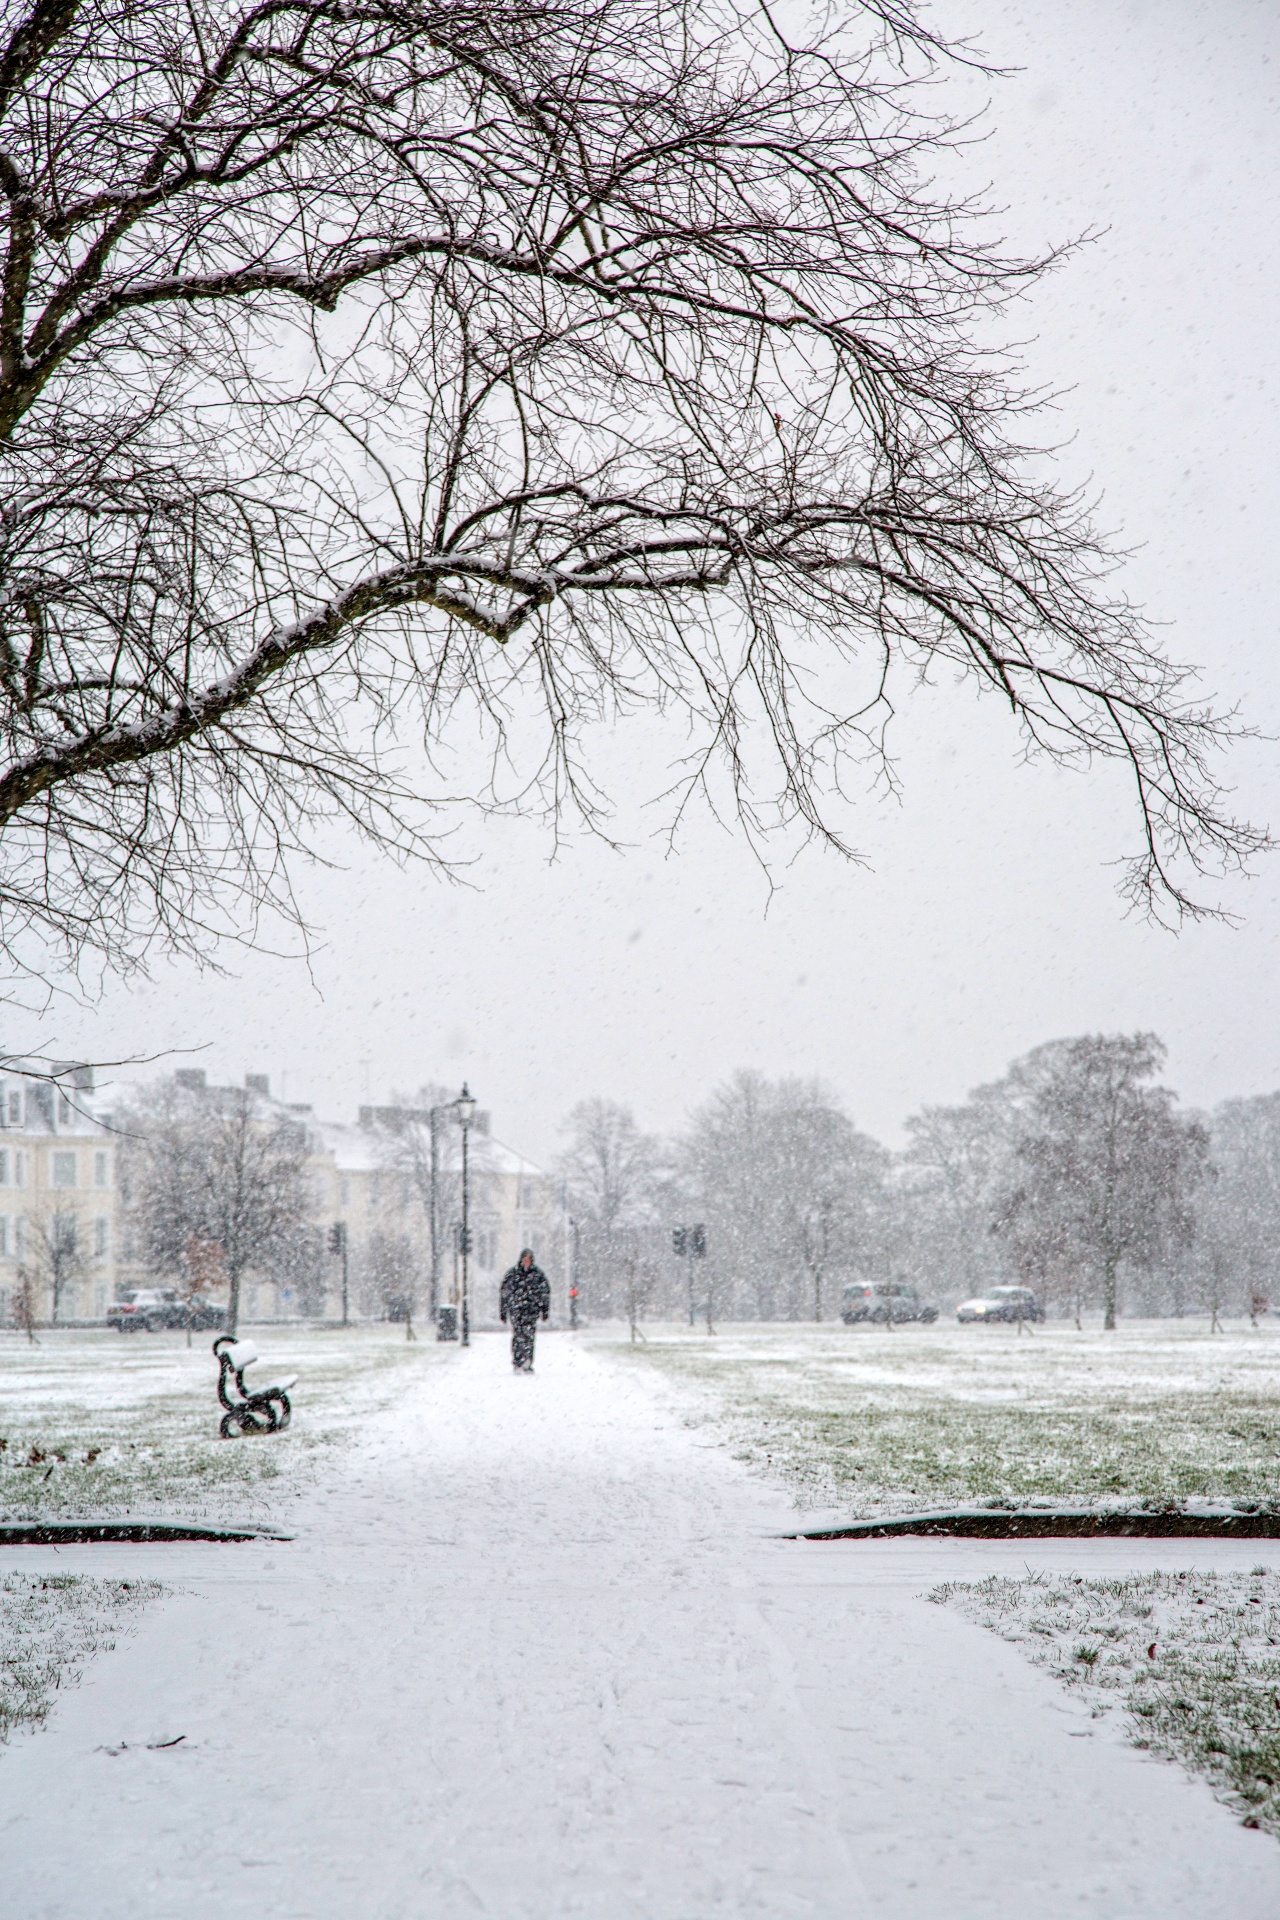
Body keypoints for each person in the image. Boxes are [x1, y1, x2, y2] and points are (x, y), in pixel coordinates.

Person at [500, 1248, 551, 1372]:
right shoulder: (513, 1274)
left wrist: (544, 1311)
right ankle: (518, 1361)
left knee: (529, 1336)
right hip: (517, 1311)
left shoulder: (538, 1275)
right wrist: (503, 1311)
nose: (526, 1262)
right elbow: (505, 1294)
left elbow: (545, 1294)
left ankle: (527, 1360)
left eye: (529, 1260)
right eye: (525, 1259)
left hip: (531, 1311)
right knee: (518, 1335)